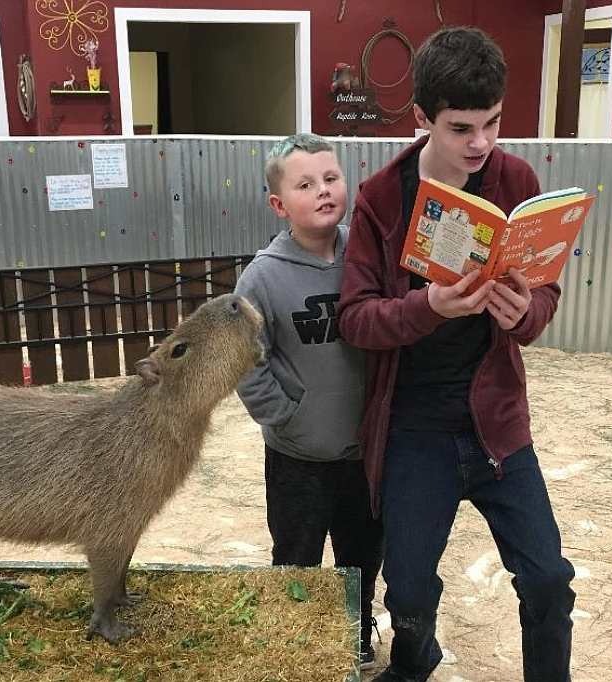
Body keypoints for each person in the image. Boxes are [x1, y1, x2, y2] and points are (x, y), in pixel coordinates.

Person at [337, 27, 576, 682]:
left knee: (549, 579)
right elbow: (355, 318)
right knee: (407, 593)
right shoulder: (382, 197)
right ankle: (416, 664)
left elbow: (547, 287)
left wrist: (526, 312)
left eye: (492, 123)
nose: (481, 144)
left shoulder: (514, 177)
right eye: (461, 128)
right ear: (420, 119)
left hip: (497, 423)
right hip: (414, 430)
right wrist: (428, 308)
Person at [235, 132, 385, 670]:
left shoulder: (368, 257)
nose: (323, 191)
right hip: (298, 457)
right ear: (279, 205)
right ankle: (291, 637)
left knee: (362, 553)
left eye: (331, 178)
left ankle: (357, 630)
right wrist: (286, 419)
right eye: (305, 184)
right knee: (297, 554)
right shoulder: (262, 277)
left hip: (365, 451)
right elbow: (244, 360)